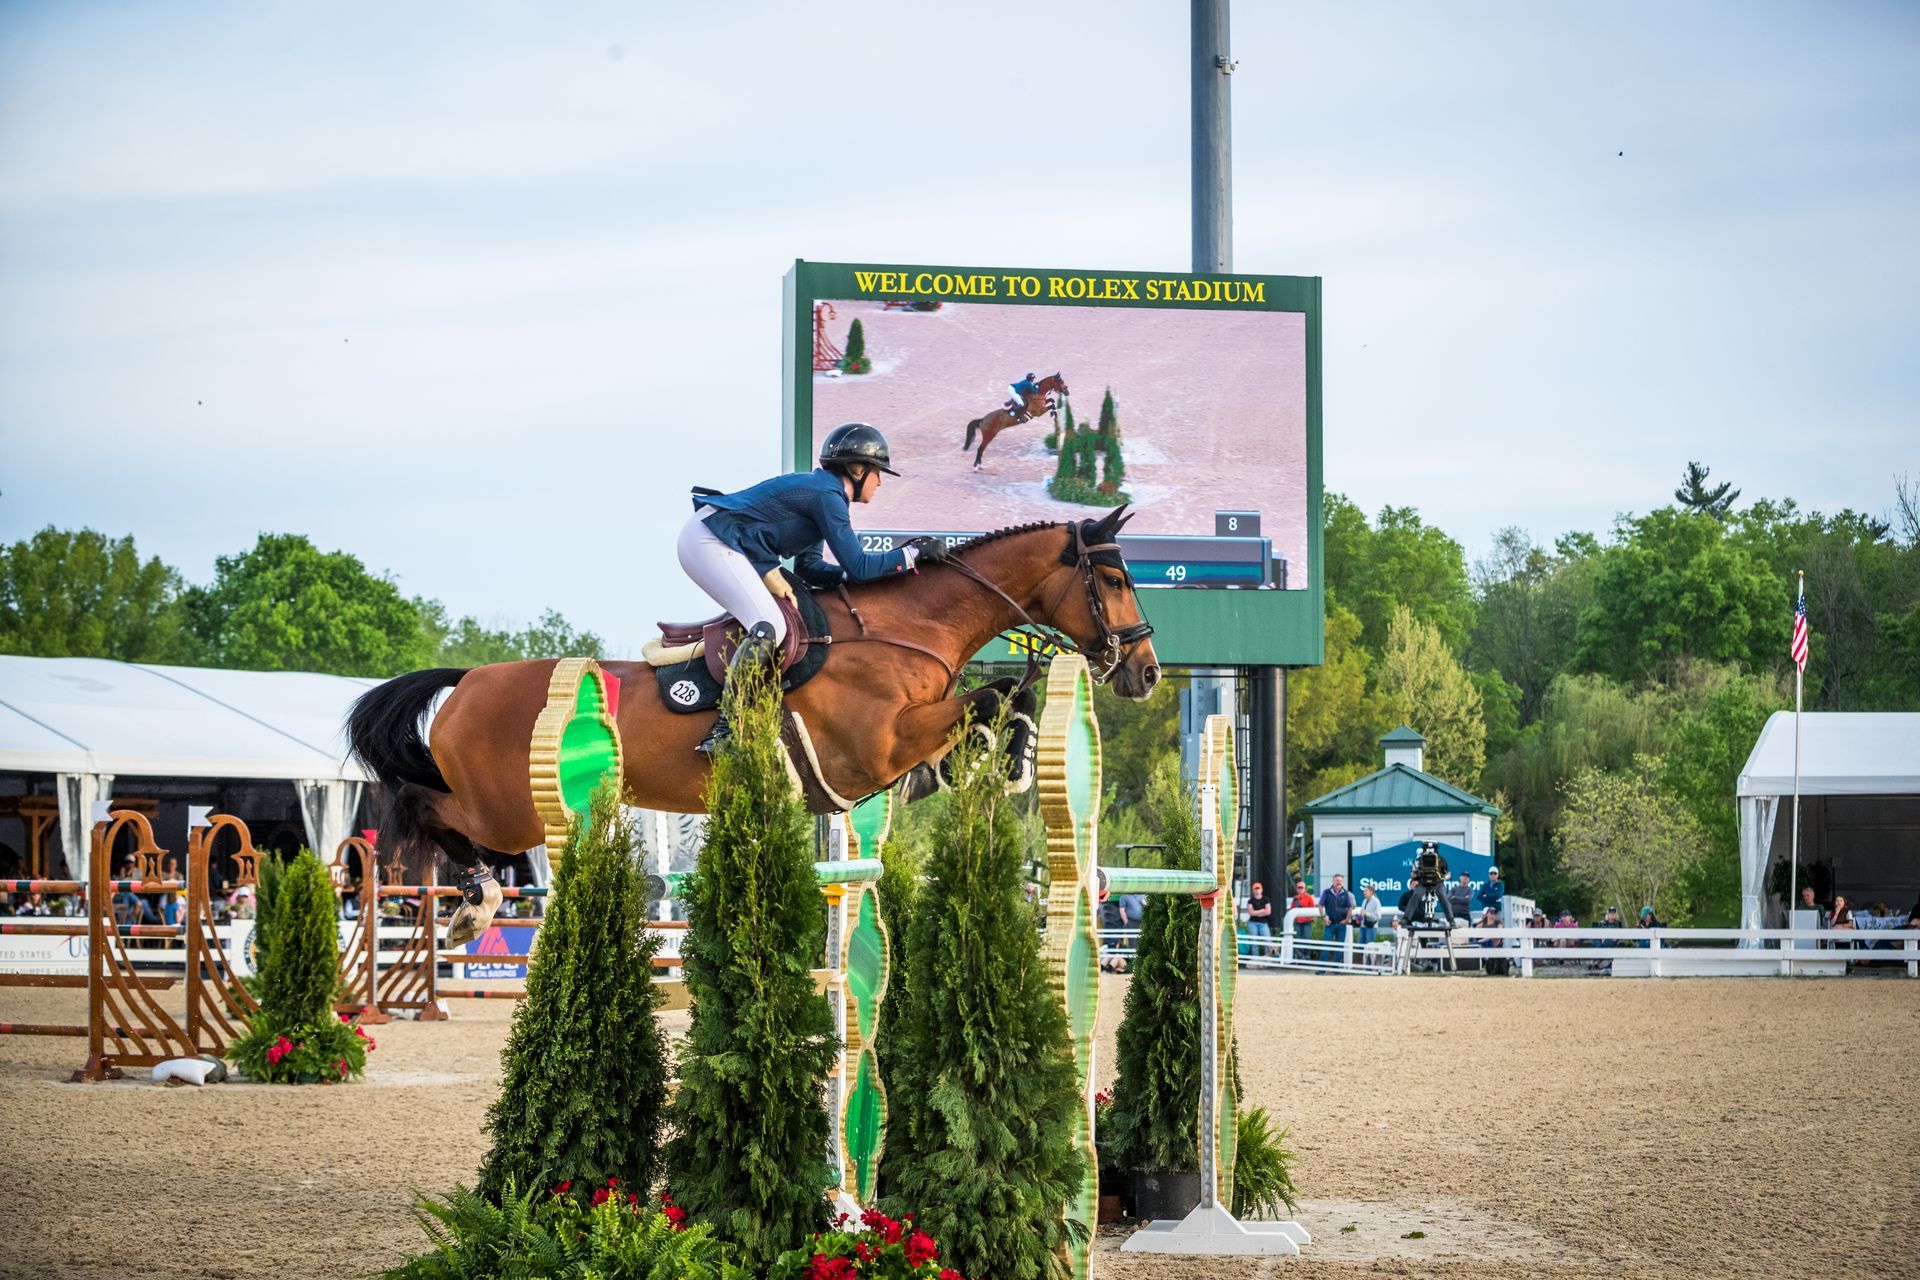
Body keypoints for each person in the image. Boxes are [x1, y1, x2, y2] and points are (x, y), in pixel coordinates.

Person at [678, 423, 941, 755]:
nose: (880, 482)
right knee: (769, 624)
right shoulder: (828, 496)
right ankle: (726, 728)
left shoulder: (824, 494)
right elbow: (858, 566)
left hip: (716, 537)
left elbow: (809, 567)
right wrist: (913, 553)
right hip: (710, 539)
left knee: (774, 617)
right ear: (857, 469)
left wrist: (847, 580)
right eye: (877, 472)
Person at [1319, 874, 1354, 950]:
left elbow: (1350, 907)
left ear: (1343, 882)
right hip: (1329, 923)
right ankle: (1323, 962)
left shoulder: (1346, 893)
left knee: (1340, 948)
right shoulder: (1326, 892)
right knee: (1325, 947)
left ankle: (1337, 961)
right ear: (1333, 881)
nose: (1339, 882)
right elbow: (1320, 905)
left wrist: (1347, 920)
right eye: (1337, 880)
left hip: (1341, 924)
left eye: (1340, 881)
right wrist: (1323, 917)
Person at [1243, 880, 1273, 956]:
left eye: (1258, 888)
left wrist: (1257, 913)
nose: (1257, 890)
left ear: (1261, 889)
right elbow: (1251, 912)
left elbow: (1268, 912)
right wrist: (1262, 911)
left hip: (1263, 923)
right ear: (1253, 890)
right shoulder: (1251, 900)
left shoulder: (1266, 899)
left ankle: (1268, 958)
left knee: (1268, 941)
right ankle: (1255, 959)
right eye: (1255, 889)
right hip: (1253, 923)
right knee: (1254, 942)